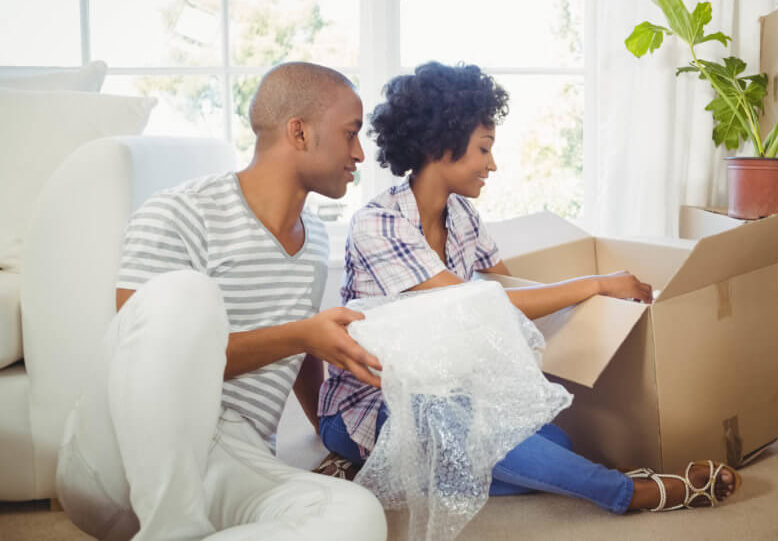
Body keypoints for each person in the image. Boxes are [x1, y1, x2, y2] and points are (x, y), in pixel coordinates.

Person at [318, 61, 741, 515]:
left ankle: (388, 474)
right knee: (475, 433)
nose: (492, 164)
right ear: (442, 145)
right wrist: (595, 283)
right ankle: (630, 492)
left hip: (449, 394)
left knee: (554, 440)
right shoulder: (378, 224)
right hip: (369, 406)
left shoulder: (462, 216)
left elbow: (510, 296)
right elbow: (476, 305)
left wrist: (592, 295)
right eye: (484, 149)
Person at [57, 62, 388, 541]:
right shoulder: (180, 210)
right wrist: (302, 334)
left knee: (357, 514)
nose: (360, 153)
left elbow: (296, 352)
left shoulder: (315, 238)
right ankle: (172, 528)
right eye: (351, 133)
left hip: (232, 456)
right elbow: (147, 360)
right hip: (122, 454)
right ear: (299, 132)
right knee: (187, 293)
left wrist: (330, 433)